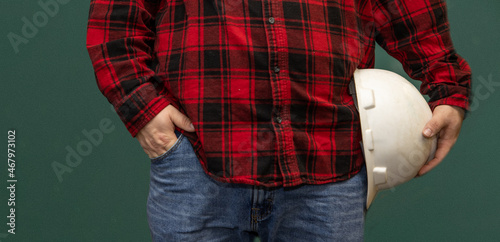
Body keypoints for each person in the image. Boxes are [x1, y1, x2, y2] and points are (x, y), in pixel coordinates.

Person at [86, 0, 471, 241]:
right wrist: (143, 110)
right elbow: (114, 24)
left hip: (328, 160)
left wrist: (449, 90)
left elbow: (412, 11)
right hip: (198, 157)